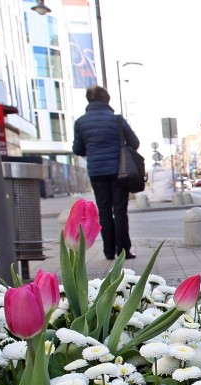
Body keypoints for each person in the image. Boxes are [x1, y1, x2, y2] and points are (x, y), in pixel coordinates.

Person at [72, 85, 141, 260]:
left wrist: (93, 150)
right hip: (119, 171)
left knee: (103, 211)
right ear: (107, 100)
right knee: (119, 210)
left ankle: (108, 251)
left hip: (97, 171)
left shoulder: (80, 122)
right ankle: (123, 251)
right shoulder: (117, 120)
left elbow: (78, 149)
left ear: (89, 100)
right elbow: (135, 142)